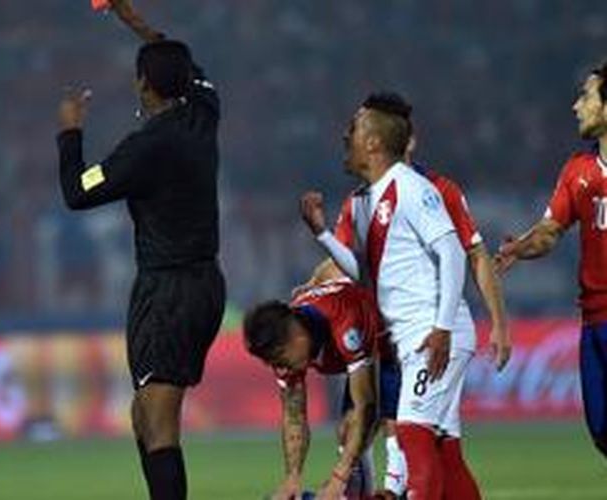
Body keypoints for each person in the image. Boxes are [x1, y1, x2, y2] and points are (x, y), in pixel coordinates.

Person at [56, 1, 225, 498]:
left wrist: (70, 131)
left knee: (158, 420)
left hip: (168, 291)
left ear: (142, 85)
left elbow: (77, 192)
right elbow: (183, 64)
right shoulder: (203, 113)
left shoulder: (145, 148)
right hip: (203, 284)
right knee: (144, 416)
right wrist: (131, 18)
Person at [303, 93, 509, 498]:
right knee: (442, 448)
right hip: (410, 338)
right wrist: (322, 233)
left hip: (431, 334)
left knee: (413, 435)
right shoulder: (365, 200)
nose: (346, 136)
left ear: (374, 143)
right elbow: (366, 273)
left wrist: (443, 328)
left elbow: (452, 250)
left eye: (355, 130)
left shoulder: (413, 188)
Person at [495, 60, 607, 459]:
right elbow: (549, 232)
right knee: (602, 432)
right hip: (594, 322)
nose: (577, 106)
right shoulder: (578, 171)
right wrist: (518, 248)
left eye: (586, 96)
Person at [244, 278, 382, 500]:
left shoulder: (344, 321)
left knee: (395, 430)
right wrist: (293, 479)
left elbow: (367, 407)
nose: (279, 368)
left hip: (396, 346)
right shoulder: (287, 345)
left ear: (297, 336)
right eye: (271, 363)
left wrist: (338, 477)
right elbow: (294, 416)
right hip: (367, 356)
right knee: (349, 434)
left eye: (279, 358)